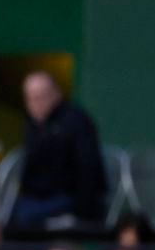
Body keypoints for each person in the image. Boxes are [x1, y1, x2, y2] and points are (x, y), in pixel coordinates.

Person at [12, 72, 107, 229]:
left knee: (24, 217)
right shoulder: (33, 125)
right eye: (30, 99)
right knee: (6, 214)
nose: (36, 104)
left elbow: (87, 169)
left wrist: (82, 211)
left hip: (69, 199)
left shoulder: (75, 121)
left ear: (56, 94)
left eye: (42, 97)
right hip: (37, 198)